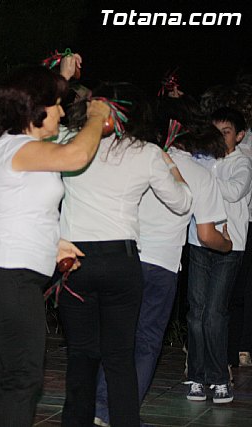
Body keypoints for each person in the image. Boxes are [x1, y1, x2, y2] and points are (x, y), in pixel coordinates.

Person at [0, 61, 111, 427]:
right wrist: (97, 116)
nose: (62, 112)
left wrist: (55, 242)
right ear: (35, 107)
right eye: (57, 104)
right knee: (23, 379)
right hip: (11, 276)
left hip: (11, 274)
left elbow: (26, 208)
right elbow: (77, 155)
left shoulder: (24, 148)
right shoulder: (17, 147)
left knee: (10, 378)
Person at [58, 82, 192, 427]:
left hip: (76, 260)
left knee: (81, 355)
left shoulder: (70, 142)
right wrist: (171, 166)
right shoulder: (146, 153)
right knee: (120, 357)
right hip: (121, 260)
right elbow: (182, 203)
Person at [93, 97, 232, 425]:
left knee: (116, 338)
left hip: (123, 258)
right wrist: (227, 245)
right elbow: (208, 235)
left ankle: (100, 409)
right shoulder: (200, 175)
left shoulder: (135, 159)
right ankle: (123, 415)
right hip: (161, 267)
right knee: (146, 343)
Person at [184, 107, 252, 403]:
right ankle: (196, 377)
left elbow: (235, 191)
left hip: (229, 246)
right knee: (196, 313)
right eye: (216, 131)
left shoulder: (243, 162)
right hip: (199, 241)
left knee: (214, 313)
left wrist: (201, 180)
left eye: (226, 132)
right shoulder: (201, 158)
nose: (220, 137)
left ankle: (220, 378)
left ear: (239, 136)